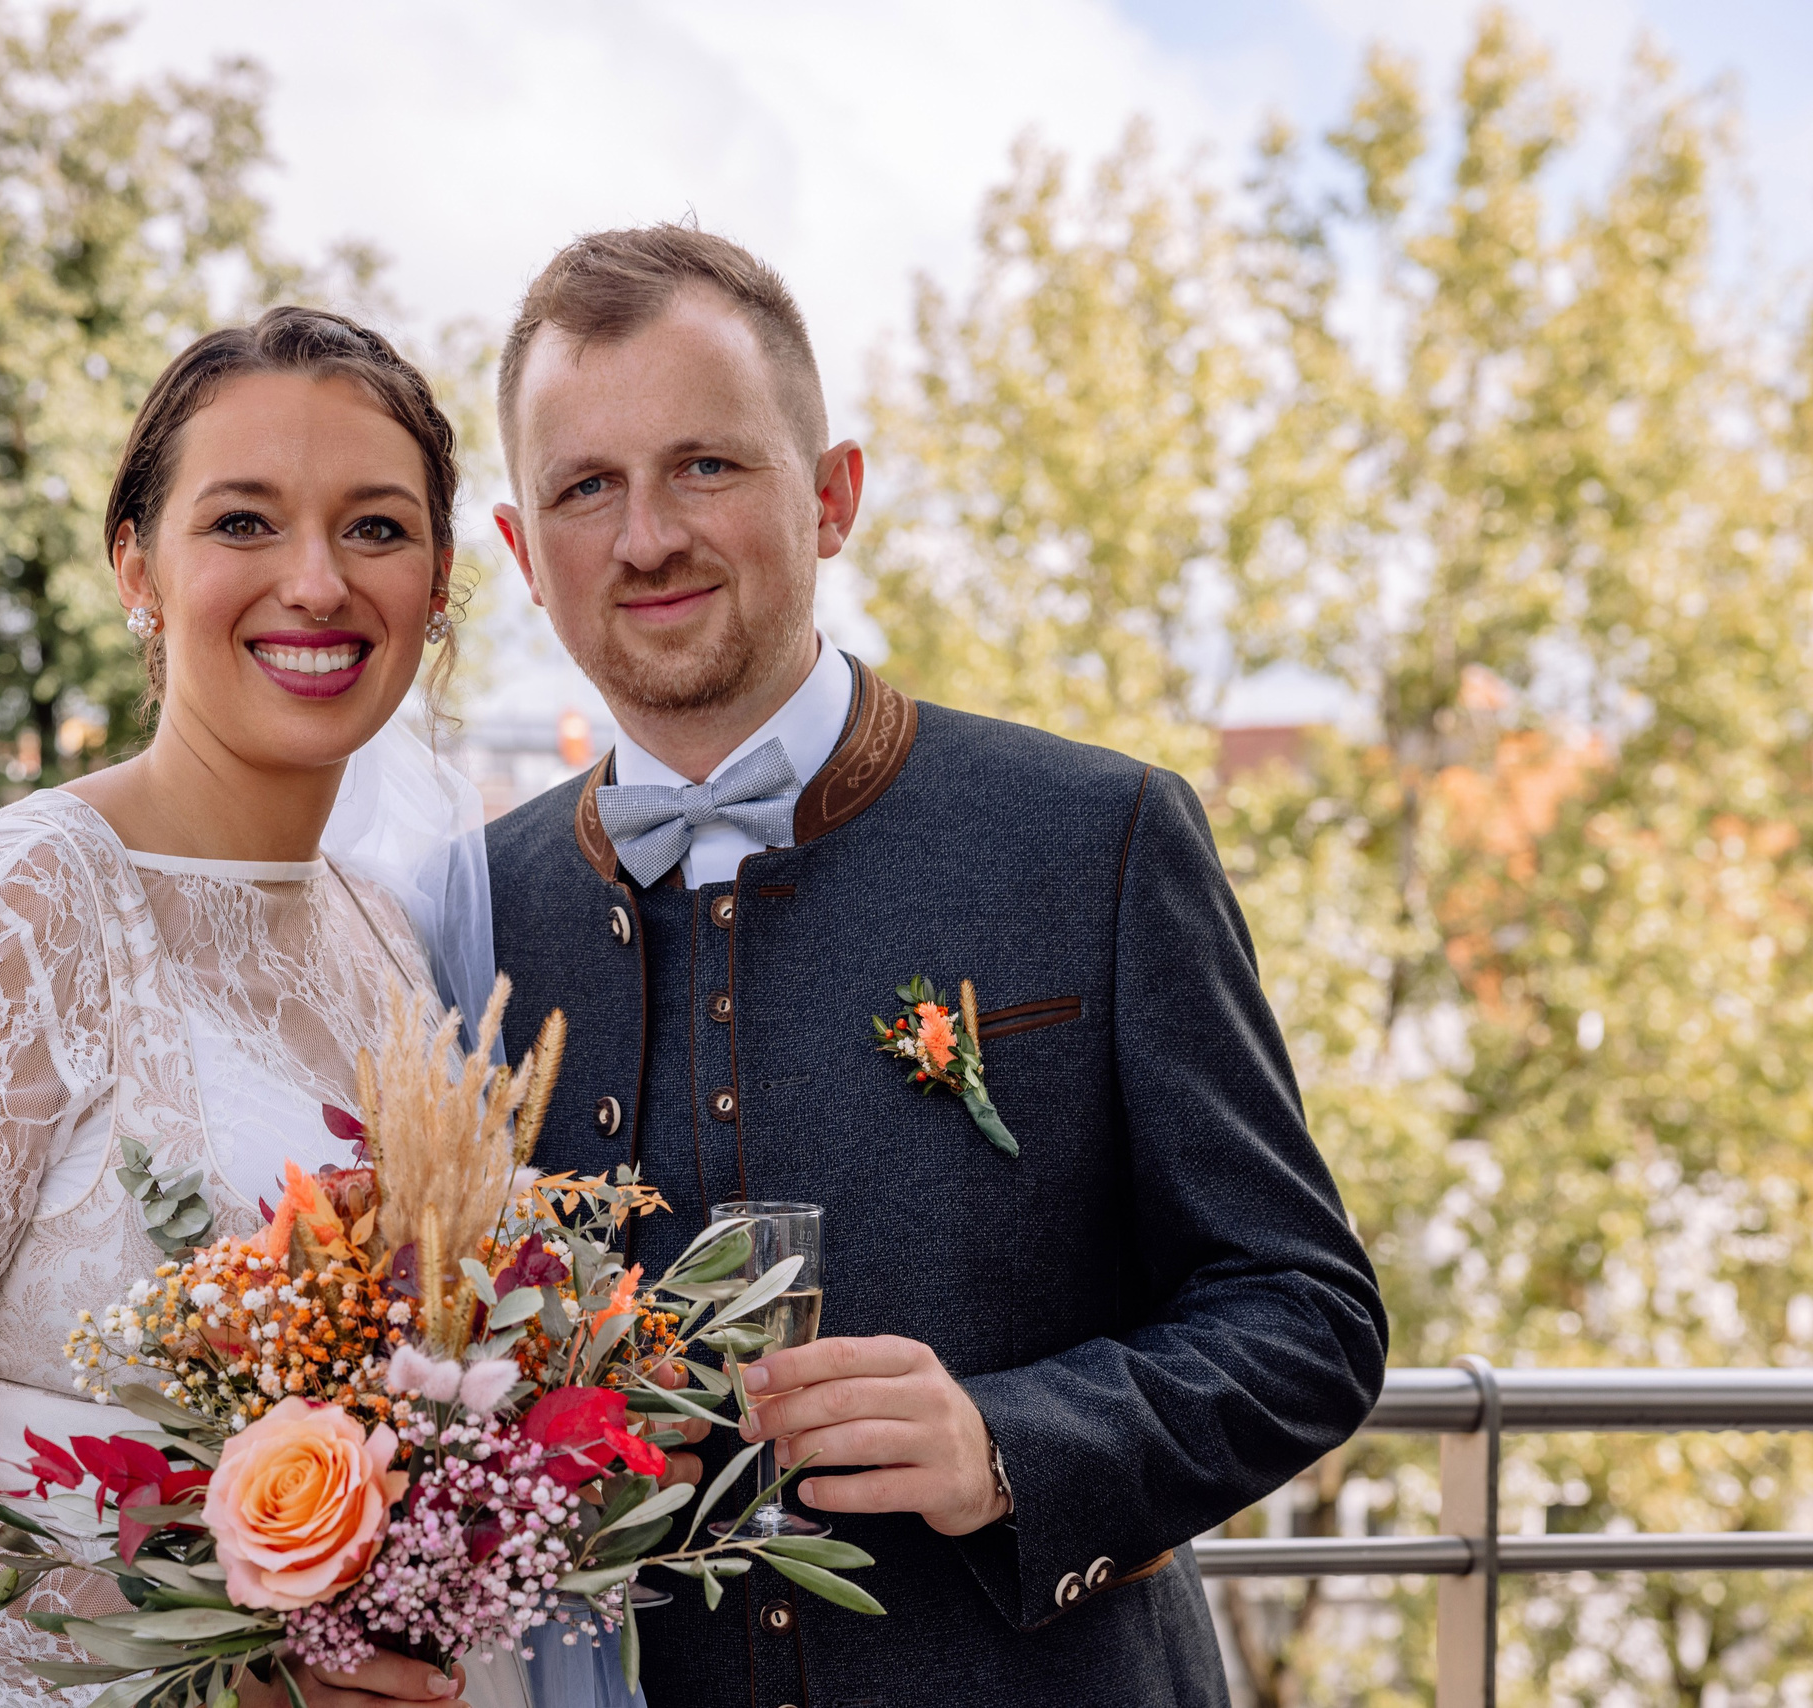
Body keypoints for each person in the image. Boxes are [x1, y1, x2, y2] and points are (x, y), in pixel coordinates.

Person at [484, 225, 1389, 1705]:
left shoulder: (1099, 837)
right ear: (524, 553)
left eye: (707, 466)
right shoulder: (477, 913)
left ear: (832, 495)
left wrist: (1009, 1444)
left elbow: (1308, 1319)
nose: (646, 536)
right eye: (587, 488)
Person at [0, 306, 556, 1708]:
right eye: (242, 522)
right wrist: (204, 1676)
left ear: (441, 581)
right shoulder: (14, 916)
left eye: (376, 528)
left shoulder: (384, 941)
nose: (316, 580)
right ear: (138, 570)